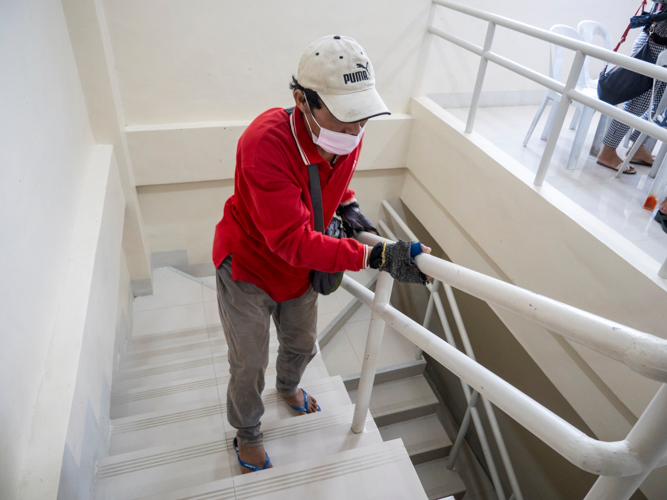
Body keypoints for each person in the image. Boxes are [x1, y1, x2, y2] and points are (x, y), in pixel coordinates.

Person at [211, 35, 431, 473]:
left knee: (302, 342)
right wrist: (378, 256)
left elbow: (332, 186)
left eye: (363, 117)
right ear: (302, 101)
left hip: (301, 271)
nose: (355, 130)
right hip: (249, 267)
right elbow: (290, 241)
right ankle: (248, 431)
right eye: (347, 117)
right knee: (248, 361)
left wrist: (350, 209)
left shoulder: (347, 134)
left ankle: (289, 386)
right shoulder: (264, 143)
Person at [597, 3, 667, 174]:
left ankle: (637, 147)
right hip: (654, 44)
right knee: (638, 103)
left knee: (659, 107)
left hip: (661, 47)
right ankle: (608, 152)